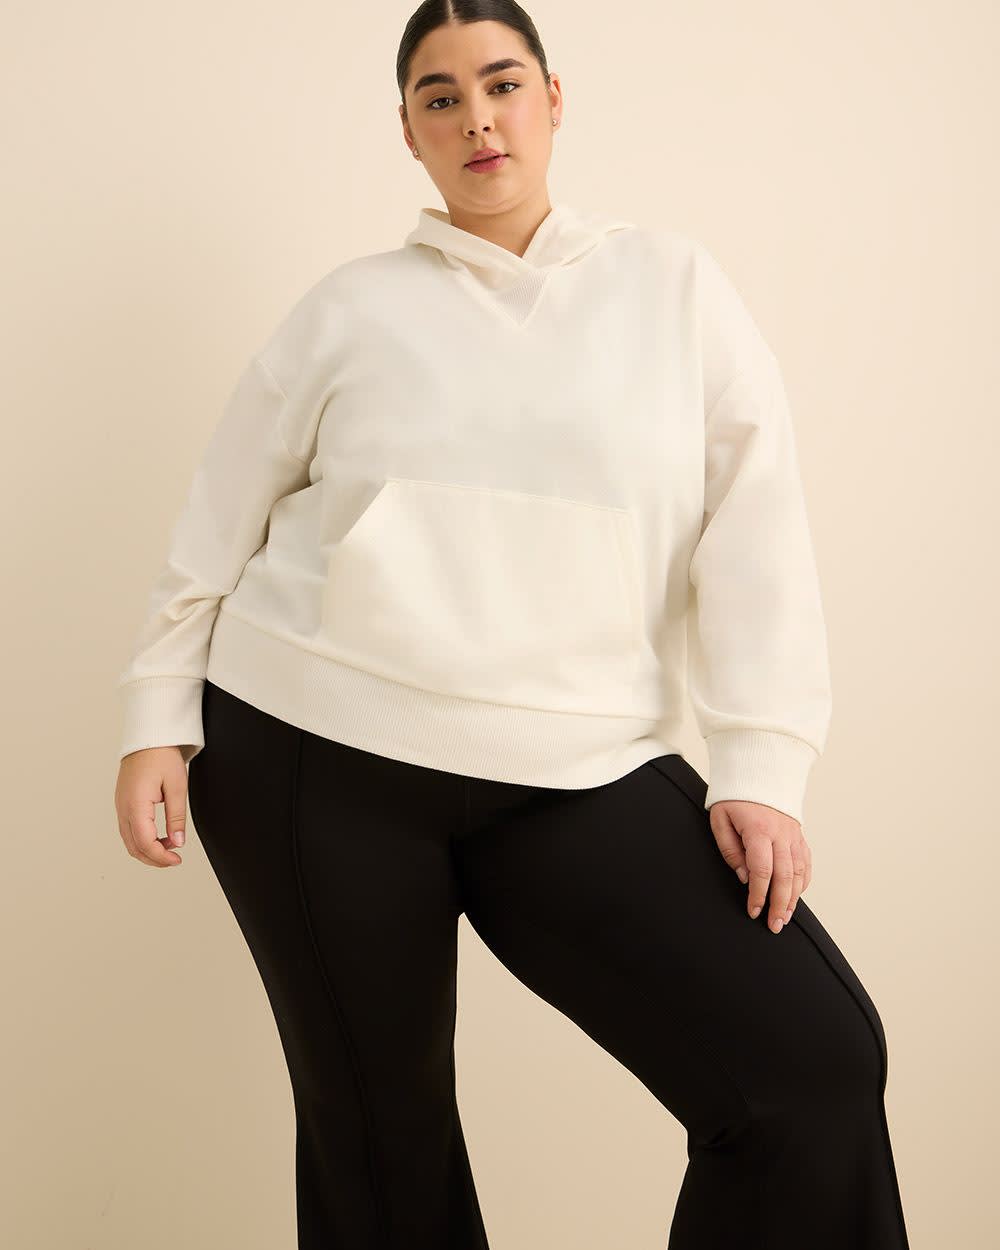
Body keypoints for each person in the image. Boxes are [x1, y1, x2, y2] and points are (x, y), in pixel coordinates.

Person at [112, 2, 911, 1247]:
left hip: (575, 763)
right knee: (380, 1146)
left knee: (812, 1067)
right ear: (409, 132)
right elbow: (218, 518)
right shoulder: (349, 309)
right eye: (440, 98)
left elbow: (754, 527)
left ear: (552, 98)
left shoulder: (672, 287)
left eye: (501, 83)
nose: (476, 117)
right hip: (313, 746)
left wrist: (759, 762)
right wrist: (155, 717)